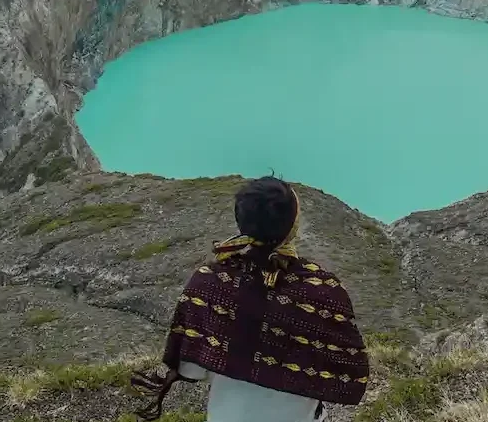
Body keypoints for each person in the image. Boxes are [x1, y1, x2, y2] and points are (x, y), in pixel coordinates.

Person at [132, 177, 370, 421]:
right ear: (292, 226)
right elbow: (345, 368)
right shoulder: (323, 291)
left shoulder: (210, 282)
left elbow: (192, 366)